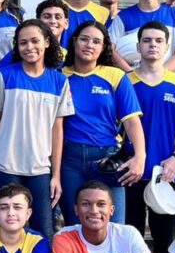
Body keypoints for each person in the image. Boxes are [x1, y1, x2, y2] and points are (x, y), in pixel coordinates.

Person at [0, 20, 74, 241]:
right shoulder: (4, 76)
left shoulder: (59, 81)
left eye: (34, 41)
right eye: (23, 43)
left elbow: (57, 131)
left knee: (43, 233)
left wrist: (56, 175)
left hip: (40, 168)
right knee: (5, 230)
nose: (29, 47)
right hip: (4, 165)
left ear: (47, 42)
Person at [126, 21, 175, 253]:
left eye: (159, 41)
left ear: (167, 47)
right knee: (131, 237)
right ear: (138, 46)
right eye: (147, 40)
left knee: (165, 240)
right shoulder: (125, 82)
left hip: (166, 174)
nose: (153, 45)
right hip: (130, 173)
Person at [60, 21, 145, 226]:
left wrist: (140, 157)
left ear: (103, 47)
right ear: (74, 41)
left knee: (114, 226)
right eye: (84, 39)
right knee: (75, 225)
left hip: (107, 158)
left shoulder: (115, 75)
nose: (89, 45)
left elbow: (132, 121)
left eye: (96, 41)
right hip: (69, 160)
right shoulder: (59, 76)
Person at [0, 0, 69, 78]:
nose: (53, 21)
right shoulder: (21, 52)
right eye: (47, 17)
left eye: (58, 17)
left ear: (66, 23)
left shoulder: (70, 57)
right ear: (38, 21)